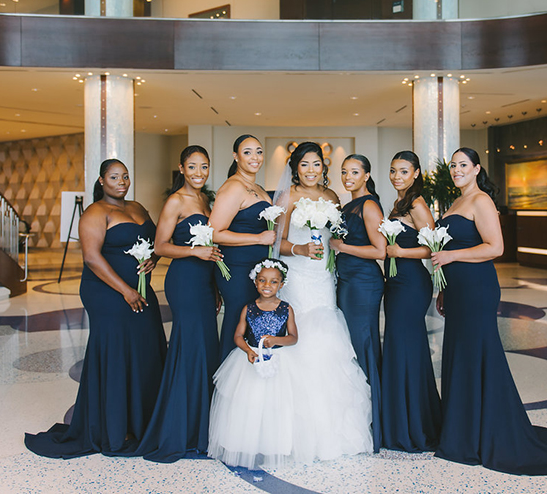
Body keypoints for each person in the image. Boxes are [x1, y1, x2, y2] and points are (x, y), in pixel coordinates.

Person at [432, 147, 547, 475]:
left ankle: (483, 432)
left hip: (477, 288)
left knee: (479, 355)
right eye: (453, 165)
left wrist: (451, 259)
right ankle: (461, 431)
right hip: (457, 289)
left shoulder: (480, 200)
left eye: (463, 165)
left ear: (477, 168)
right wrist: (443, 288)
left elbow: (496, 247)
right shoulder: (454, 202)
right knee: (460, 355)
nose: (456, 170)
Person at [25, 159, 166, 458]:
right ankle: (116, 426)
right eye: (114, 177)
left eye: (125, 176)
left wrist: (154, 258)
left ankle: (143, 421)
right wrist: (126, 290)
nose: (122, 181)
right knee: (117, 352)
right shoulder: (95, 212)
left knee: (146, 348)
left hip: (140, 289)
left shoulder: (138, 207)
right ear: (102, 181)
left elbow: (152, 242)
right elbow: (91, 257)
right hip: (107, 293)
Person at [274, 141, 373, 462]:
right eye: (304, 165)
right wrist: (300, 250)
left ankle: (335, 424)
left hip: (324, 278)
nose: (311, 170)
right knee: (302, 337)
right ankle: (295, 427)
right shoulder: (288, 197)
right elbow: (277, 243)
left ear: (323, 167)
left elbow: (338, 237)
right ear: (295, 168)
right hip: (299, 275)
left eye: (316, 164)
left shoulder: (332, 198)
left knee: (328, 337)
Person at [136, 146, 222, 462]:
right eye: (193, 167)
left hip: (204, 282)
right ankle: (180, 429)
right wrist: (194, 253)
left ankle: (201, 426)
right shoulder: (175, 201)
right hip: (184, 280)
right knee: (189, 349)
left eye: (204, 167)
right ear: (181, 168)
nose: (199, 173)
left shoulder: (206, 200)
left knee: (205, 349)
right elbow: (161, 245)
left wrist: (214, 284)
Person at [208, 259, 298, 469]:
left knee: (275, 404)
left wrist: (276, 340)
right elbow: (238, 336)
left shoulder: (286, 309)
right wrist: (249, 350)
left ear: (281, 285)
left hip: (278, 361)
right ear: (255, 282)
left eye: (273, 282)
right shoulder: (248, 308)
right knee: (249, 403)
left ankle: (273, 444)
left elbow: (293, 337)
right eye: (262, 280)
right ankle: (249, 443)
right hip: (251, 360)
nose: (267, 285)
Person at [381, 150, 442, 452]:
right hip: (395, 282)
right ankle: (401, 419)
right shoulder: (398, 203)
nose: (397, 176)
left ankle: (413, 426)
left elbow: (434, 248)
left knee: (406, 347)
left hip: (411, 282)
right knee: (400, 346)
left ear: (416, 173)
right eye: (393, 170)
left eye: (403, 171)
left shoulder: (417, 204)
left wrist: (400, 253)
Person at [330, 154, 387, 453]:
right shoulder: (347, 204)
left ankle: (372, 417)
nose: (348, 176)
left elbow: (381, 250)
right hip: (348, 280)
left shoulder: (369, 205)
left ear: (366, 175)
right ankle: (355, 411)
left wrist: (341, 247)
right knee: (350, 344)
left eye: (354, 172)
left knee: (362, 343)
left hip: (364, 282)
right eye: (344, 172)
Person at [209, 134, 275, 361]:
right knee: (239, 321)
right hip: (237, 268)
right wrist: (258, 239)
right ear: (236, 156)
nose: (255, 157)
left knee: (254, 323)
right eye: (247, 152)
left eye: (258, 151)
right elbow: (215, 232)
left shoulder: (256, 187)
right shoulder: (233, 187)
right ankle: (228, 385)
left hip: (256, 267)